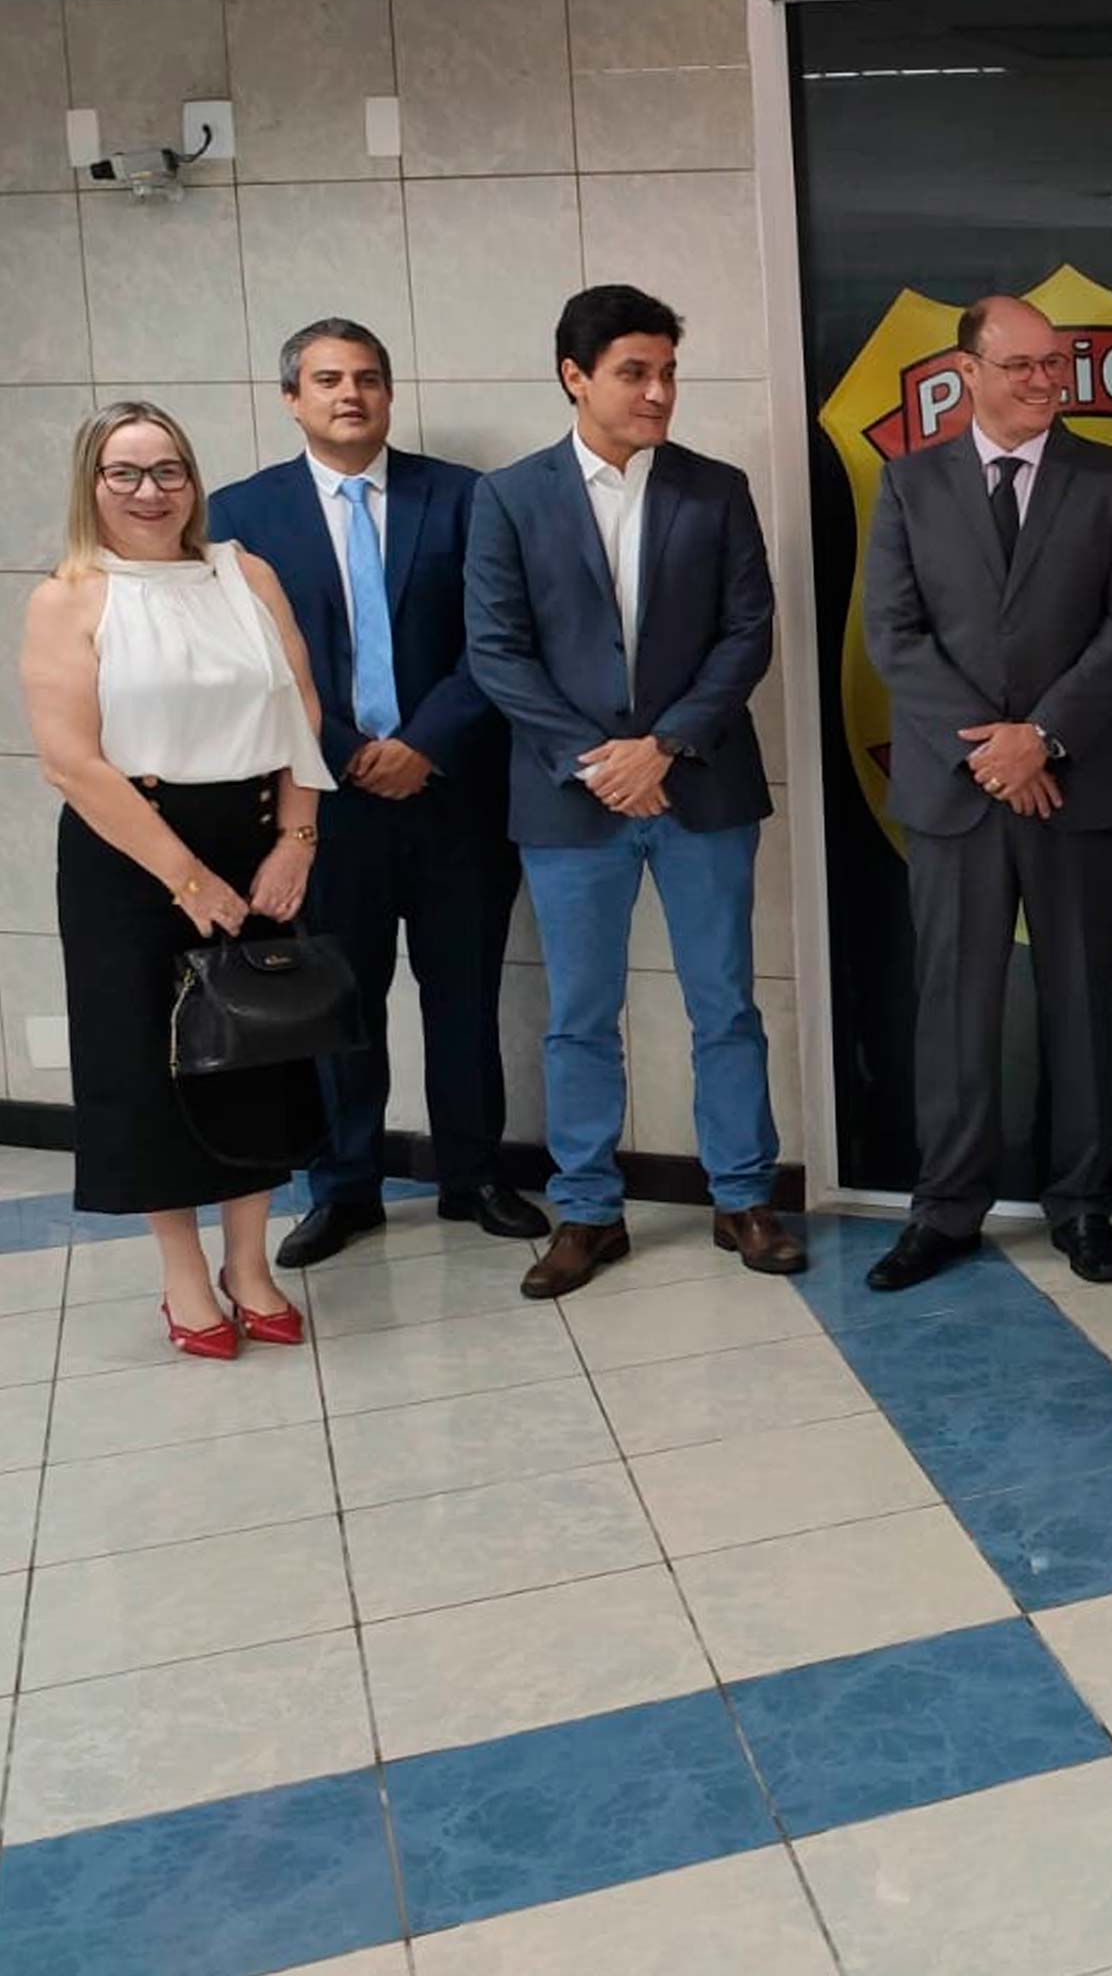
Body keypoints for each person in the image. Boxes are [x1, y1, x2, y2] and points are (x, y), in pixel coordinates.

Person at [465, 284, 803, 1298]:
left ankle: (742, 1196)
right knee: (579, 1014)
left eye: (667, 372)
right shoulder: (510, 498)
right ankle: (586, 1210)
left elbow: (747, 633)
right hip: (571, 803)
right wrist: (600, 760)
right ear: (575, 376)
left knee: (725, 1004)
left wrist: (662, 747)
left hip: (700, 788)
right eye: (634, 373)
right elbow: (497, 650)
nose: (658, 392)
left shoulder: (716, 489)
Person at [210, 319, 547, 1266]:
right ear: (292, 399)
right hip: (322, 803)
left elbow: (500, 642)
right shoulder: (243, 513)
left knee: (464, 997)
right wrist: (350, 751)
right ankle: (345, 1188)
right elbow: (249, 664)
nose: (349, 394)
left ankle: (473, 1175)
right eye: (327, 380)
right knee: (336, 1001)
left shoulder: (469, 499)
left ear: (390, 393)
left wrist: (422, 744)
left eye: (366, 378)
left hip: (455, 797)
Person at [857, 295, 1112, 1293]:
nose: (1044, 381)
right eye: (1021, 364)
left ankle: (1083, 1207)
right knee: (953, 1009)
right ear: (968, 371)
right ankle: (945, 1211)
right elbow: (893, 634)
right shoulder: (909, 485)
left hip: (1079, 786)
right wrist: (993, 754)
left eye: (1054, 364)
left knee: (1082, 1004)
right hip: (957, 794)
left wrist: (1042, 738)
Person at [21, 403, 336, 1357]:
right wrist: (186, 878)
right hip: (131, 855)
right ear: (91, 485)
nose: (150, 492)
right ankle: (184, 1278)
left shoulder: (246, 574)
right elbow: (72, 762)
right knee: (147, 1065)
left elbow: (302, 708)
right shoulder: (69, 596)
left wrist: (298, 837)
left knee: (258, 1052)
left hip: (256, 840)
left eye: (168, 471)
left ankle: (250, 1264)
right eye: (124, 473)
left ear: (193, 481)